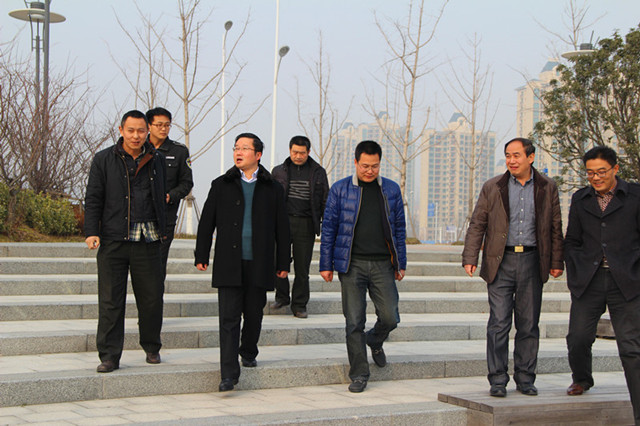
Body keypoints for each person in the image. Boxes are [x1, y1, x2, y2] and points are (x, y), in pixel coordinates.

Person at [462, 137, 564, 398]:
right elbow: (478, 223)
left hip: (532, 261)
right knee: (498, 323)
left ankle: (525, 378)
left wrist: (556, 262)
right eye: (508, 155)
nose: (511, 160)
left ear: (531, 157)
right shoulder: (493, 186)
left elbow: (555, 227)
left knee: (528, 324)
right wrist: (470, 256)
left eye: (516, 155)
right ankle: (497, 379)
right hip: (500, 262)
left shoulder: (547, 187)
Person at [194, 132, 290, 392]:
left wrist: (283, 262)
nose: (238, 152)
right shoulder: (221, 184)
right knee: (228, 319)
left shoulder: (273, 188)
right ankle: (228, 374)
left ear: (258, 154)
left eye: (245, 148)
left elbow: (283, 228)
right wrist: (201, 254)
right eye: (236, 148)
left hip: (259, 261)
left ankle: (248, 350)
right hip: (229, 261)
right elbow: (207, 222)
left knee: (254, 314)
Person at [319, 140, 406, 393]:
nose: (370, 171)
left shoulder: (390, 190)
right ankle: (359, 374)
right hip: (351, 264)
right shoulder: (340, 189)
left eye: (375, 166)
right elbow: (329, 228)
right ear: (356, 162)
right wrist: (326, 264)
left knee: (390, 316)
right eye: (365, 166)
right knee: (354, 321)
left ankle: (375, 339)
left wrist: (400, 262)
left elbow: (399, 228)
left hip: (382, 264)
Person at [84, 110, 167, 373]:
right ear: (121, 130)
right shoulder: (104, 159)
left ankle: (152, 346)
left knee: (151, 298)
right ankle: (109, 356)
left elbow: (164, 194)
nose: (136, 136)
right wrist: (91, 231)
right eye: (130, 130)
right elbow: (93, 197)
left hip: (148, 238)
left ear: (147, 132)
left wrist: (164, 227)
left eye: (141, 131)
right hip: (113, 239)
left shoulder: (157, 159)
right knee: (110, 300)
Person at [564, 146, 640, 424]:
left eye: (601, 172)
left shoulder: (635, 196)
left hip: (627, 281)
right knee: (578, 337)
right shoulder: (580, 199)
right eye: (590, 173)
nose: (595, 178)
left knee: (631, 349)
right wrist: (575, 267)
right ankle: (582, 378)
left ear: (615, 169)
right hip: (589, 279)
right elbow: (572, 239)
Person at [270, 135, 329, 318]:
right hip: (282, 222)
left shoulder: (318, 172)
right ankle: (282, 297)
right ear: (290, 150)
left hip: (306, 224)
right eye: (295, 152)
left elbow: (325, 200)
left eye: (302, 153)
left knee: (302, 268)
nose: (298, 156)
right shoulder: (278, 171)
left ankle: (299, 305)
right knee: (278, 262)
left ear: (308, 152)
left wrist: (326, 225)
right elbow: (269, 198)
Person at [145, 107, 194, 276]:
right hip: (139, 214)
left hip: (165, 216)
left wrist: (170, 196)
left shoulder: (179, 151)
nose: (163, 129)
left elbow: (186, 183)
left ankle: (157, 292)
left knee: (158, 263)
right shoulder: (139, 148)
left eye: (167, 125)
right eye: (159, 125)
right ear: (149, 126)